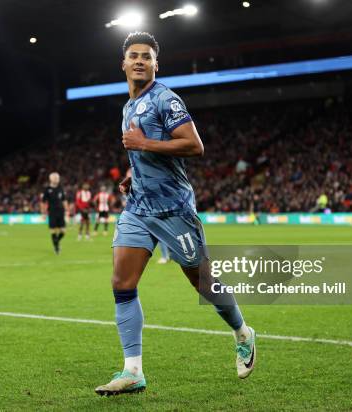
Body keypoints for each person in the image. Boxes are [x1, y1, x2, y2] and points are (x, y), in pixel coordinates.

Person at [95, 32, 255, 397]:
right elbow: (143, 153)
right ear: (123, 63)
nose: (139, 61)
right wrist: (133, 173)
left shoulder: (166, 99)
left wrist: (142, 144)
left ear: (155, 64)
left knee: (203, 283)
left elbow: (194, 146)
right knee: (122, 283)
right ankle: (132, 371)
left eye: (146, 56)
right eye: (133, 55)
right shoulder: (128, 106)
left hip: (173, 209)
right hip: (138, 207)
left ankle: (242, 332)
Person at [41, 172, 68, 254]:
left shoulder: (61, 188)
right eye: (55, 177)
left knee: (63, 231)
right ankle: (56, 247)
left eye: (58, 177)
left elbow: (64, 200)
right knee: (53, 231)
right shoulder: (47, 189)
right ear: (51, 179)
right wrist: (44, 213)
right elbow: (43, 202)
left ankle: (56, 242)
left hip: (61, 212)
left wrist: (67, 210)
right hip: (52, 212)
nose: (57, 179)